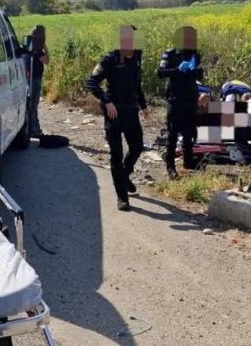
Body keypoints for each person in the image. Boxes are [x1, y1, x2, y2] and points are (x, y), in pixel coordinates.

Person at [85, 25, 147, 211]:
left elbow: (137, 83)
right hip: (114, 113)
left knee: (137, 147)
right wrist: (107, 101)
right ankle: (122, 197)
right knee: (116, 155)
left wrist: (143, 105)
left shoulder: (137, 57)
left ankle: (124, 175)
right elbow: (91, 82)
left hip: (131, 111)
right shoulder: (109, 59)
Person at [157, 26, 204, 179]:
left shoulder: (195, 54)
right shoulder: (170, 54)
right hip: (175, 98)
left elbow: (200, 75)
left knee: (189, 131)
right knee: (173, 133)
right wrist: (177, 70)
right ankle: (170, 166)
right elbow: (160, 72)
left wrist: (194, 70)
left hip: (190, 97)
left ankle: (188, 162)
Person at [27, 25, 48, 136]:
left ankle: (32, 127)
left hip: (30, 77)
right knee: (33, 104)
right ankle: (34, 128)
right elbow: (46, 61)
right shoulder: (38, 49)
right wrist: (46, 49)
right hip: (35, 78)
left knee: (30, 104)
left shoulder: (30, 45)